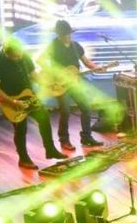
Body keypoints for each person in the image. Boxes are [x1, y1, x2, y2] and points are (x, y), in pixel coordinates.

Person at [0, 38, 66, 169]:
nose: (19, 58)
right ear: (6, 53)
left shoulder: (24, 56)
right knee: (21, 129)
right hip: (11, 100)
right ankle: (23, 159)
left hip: (29, 96)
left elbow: (34, 75)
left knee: (44, 119)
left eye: (20, 54)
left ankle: (50, 150)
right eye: (15, 57)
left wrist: (48, 84)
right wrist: (12, 102)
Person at [40, 19, 105, 150]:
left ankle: (86, 137)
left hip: (75, 82)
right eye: (64, 34)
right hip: (59, 83)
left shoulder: (75, 46)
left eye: (68, 34)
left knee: (86, 107)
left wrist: (97, 67)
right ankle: (64, 140)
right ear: (58, 35)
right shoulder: (53, 46)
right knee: (65, 111)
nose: (67, 37)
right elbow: (40, 60)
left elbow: (86, 62)